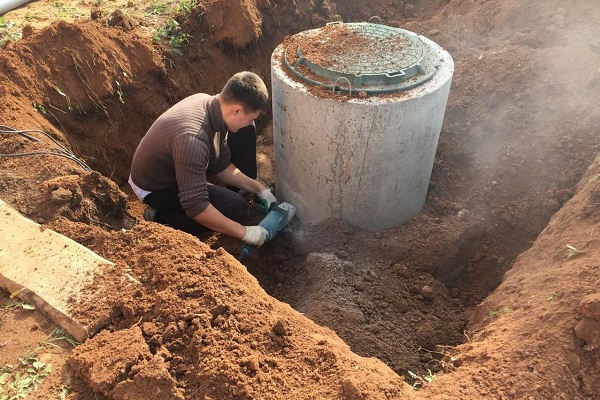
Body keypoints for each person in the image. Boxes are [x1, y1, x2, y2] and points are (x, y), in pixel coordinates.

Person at [128, 71, 277, 246]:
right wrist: (244, 233)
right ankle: (159, 218)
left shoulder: (211, 104)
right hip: (156, 187)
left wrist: (259, 189)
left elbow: (221, 165)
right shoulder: (193, 139)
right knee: (235, 208)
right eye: (251, 117)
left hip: (176, 167)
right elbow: (196, 206)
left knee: (245, 133)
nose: (251, 122)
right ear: (236, 110)